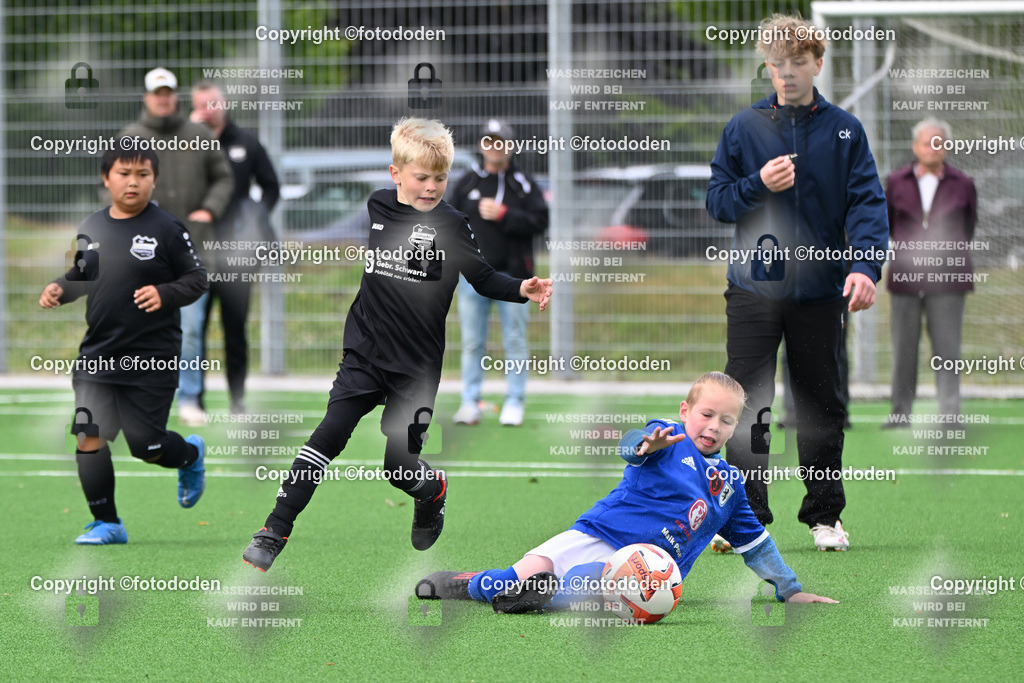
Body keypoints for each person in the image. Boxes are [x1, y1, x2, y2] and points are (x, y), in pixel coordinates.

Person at [241, 118, 553, 571]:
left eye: (440, 178)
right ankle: (273, 529)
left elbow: (483, 278)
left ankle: (433, 492)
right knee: (326, 437)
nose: (431, 187)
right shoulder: (378, 205)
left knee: (399, 466)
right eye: (421, 177)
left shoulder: (452, 223)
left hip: (417, 368)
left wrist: (521, 288)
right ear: (396, 175)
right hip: (364, 353)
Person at [414, 372, 837, 612]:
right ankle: (472, 584)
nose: (714, 427)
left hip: (645, 571)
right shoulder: (666, 438)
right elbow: (631, 447)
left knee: (588, 585)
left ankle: (539, 597)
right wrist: (643, 445)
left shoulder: (730, 488)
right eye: (707, 414)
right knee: (516, 575)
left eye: (726, 421)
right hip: (595, 531)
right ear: (686, 411)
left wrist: (790, 589)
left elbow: (755, 543)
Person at [705, 13, 889, 551]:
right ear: (768, 67)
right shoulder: (743, 128)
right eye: (778, 65)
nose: (787, 74)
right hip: (752, 292)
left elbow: (867, 205)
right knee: (745, 405)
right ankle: (745, 519)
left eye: (798, 64)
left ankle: (824, 517)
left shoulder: (846, 131)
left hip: (818, 294)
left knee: (819, 404)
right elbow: (718, 201)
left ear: (818, 64)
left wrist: (865, 266)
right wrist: (757, 184)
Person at [39, 148, 208, 544]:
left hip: (151, 358)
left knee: (147, 446)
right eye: (124, 173)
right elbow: (82, 275)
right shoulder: (93, 225)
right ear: (106, 178)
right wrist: (59, 289)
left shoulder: (167, 227)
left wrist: (165, 293)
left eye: (142, 174)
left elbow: (197, 279)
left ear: (154, 180)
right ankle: (107, 523)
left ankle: (190, 456)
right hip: (98, 355)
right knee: (88, 436)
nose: (133, 181)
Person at [118, 67, 234, 427]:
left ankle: (188, 399)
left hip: (191, 255)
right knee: (138, 332)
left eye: (168, 92)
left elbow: (223, 177)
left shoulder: (198, 134)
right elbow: (109, 185)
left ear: (175, 97)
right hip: (143, 256)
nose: (163, 98)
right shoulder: (131, 137)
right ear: (146, 98)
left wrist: (208, 209)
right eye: (157, 93)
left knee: (190, 330)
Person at [449, 119, 549, 427]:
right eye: (489, 141)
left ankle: (515, 401)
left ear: (510, 145)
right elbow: (450, 223)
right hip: (473, 279)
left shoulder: (524, 183)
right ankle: (470, 401)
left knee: (515, 340)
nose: (495, 147)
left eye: (501, 141)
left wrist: (505, 215)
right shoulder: (466, 183)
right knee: (472, 342)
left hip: (517, 279)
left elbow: (540, 221)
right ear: (482, 145)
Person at [190, 80, 281, 415]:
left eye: (212, 104)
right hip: (196, 253)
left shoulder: (245, 143)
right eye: (201, 105)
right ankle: (193, 400)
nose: (208, 111)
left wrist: (254, 218)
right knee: (192, 330)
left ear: (223, 104)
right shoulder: (187, 144)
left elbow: (271, 187)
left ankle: (237, 400)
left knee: (235, 329)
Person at [884, 118, 977, 426]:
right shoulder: (896, 182)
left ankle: (950, 414)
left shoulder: (963, 183)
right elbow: (887, 224)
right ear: (915, 147)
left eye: (938, 142)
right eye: (927, 142)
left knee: (948, 348)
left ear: (946, 147)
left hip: (949, 279)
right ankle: (900, 413)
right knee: (904, 350)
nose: (932, 148)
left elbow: (967, 228)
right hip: (905, 278)